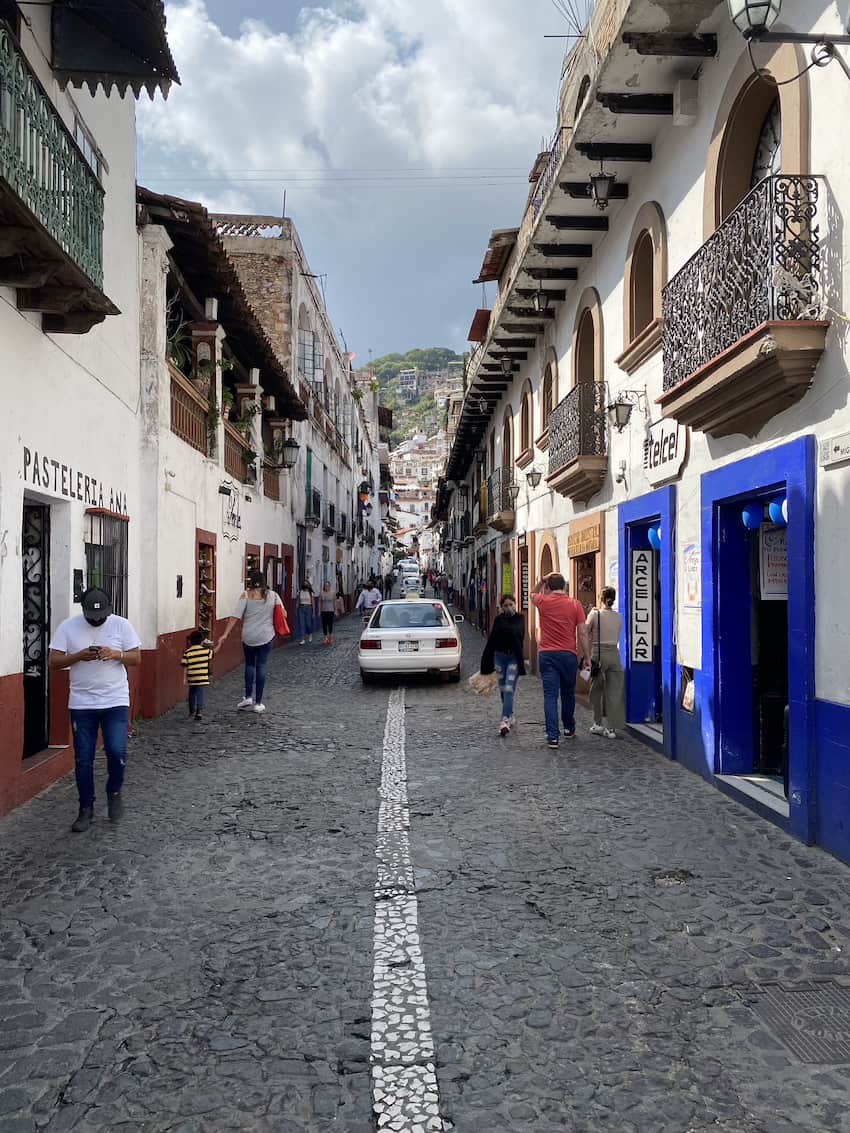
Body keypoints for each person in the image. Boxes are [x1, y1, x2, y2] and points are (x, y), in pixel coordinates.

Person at [48, 587, 142, 832]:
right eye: (92, 616)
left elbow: (136, 657)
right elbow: (54, 662)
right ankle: (85, 809)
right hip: (82, 704)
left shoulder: (121, 625)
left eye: (101, 616)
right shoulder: (68, 627)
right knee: (83, 760)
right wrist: (78, 656)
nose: (97, 619)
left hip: (115, 701)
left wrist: (116, 654)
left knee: (116, 751)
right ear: (83, 610)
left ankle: (114, 791)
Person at [532, 572, 590, 749]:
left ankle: (552, 737)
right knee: (567, 693)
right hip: (568, 655)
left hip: (547, 655)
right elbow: (582, 632)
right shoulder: (575, 604)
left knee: (550, 695)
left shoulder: (543, 602)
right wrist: (587, 656)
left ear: (548, 587)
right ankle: (569, 728)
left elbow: (532, 594)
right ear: (565, 586)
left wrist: (542, 580)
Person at [217, 570, 283, 713]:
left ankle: (247, 697)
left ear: (251, 581)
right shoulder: (273, 595)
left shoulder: (246, 595)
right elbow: (282, 613)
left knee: (249, 665)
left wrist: (224, 634)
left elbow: (235, 616)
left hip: (248, 636)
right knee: (261, 666)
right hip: (266, 636)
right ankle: (258, 703)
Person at [480, 594, 526, 737]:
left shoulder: (520, 618)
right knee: (502, 688)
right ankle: (509, 713)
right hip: (499, 658)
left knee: (508, 688)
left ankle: (504, 721)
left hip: (513, 658)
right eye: (505, 605)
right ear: (501, 607)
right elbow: (493, 638)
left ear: (515, 604)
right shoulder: (498, 619)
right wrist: (486, 662)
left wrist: (506, 625)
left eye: (510, 604)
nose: (508, 607)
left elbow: (517, 633)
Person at [586, 587, 626, 739]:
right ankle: (612, 728)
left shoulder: (595, 614)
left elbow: (585, 630)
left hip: (599, 654)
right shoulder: (618, 617)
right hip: (614, 654)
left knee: (596, 690)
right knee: (614, 692)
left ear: (600, 598)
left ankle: (597, 723)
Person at [181, 629, 213, 721]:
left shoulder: (187, 652)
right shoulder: (206, 651)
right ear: (202, 641)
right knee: (200, 693)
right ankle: (199, 711)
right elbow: (212, 654)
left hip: (192, 676)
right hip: (202, 676)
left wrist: (184, 678)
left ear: (190, 641)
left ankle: (192, 710)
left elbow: (185, 666)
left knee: (192, 693)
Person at [294, 579, 315, 645]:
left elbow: (313, 603)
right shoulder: (300, 592)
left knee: (308, 623)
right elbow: (298, 601)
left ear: (308, 585)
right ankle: (302, 639)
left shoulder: (310, 593)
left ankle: (310, 633)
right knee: (302, 624)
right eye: (304, 583)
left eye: (306, 584)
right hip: (301, 608)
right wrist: (296, 609)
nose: (305, 585)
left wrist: (313, 612)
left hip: (308, 608)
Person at [319, 581, 337, 645]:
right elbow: (320, 602)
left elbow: (334, 602)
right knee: (324, 624)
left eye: (328, 586)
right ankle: (325, 638)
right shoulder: (321, 593)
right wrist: (319, 610)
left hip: (330, 610)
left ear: (330, 586)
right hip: (324, 611)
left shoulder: (332, 593)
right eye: (325, 585)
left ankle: (330, 637)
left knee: (330, 624)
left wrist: (335, 610)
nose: (326, 587)